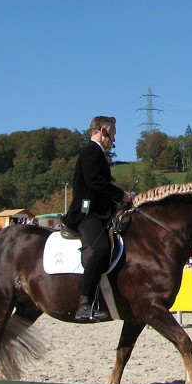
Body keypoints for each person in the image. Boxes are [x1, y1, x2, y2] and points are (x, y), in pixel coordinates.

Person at [62, 116, 130, 321]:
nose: (114, 141)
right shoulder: (91, 152)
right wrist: (122, 196)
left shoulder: (97, 154)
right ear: (103, 131)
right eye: (113, 135)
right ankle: (85, 302)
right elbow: (94, 182)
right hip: (86, 214)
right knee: (101, 248)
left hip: (100, 212)